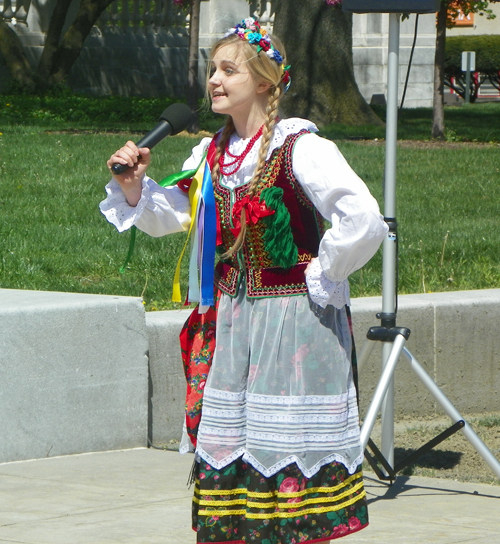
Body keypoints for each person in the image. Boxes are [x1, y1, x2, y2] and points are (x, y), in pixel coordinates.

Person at [100, 16, 388, 544]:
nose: (213, 79)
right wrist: (136, 187)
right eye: (212, 69)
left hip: (294, 323)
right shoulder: (211, 154)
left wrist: (322, 275)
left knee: (286, 451)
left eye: (227, 70)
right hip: (233, 322)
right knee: (233, 448)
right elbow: (175, 215)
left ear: (262, 81)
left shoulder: (300, 146)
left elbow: (363, 218)